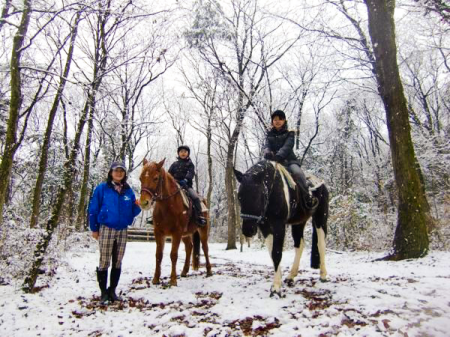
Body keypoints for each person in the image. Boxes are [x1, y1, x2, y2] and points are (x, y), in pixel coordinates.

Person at [88, 162, 141, 303]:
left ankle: (112, 291)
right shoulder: (102, 188)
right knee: (104, 261)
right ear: (111, 173)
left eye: (121, 171)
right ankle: (103, 293)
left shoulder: (128, 191)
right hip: (106, 227)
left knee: (118, 261)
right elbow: (93, 209)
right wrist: (94, 228)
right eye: (116, 171)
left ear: (124, 174)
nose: (119, 173)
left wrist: (139, 205)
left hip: (122, 230)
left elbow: (133, 211)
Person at [263, 110, 318, 209]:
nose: (278, 121)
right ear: (272, 121)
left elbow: (288, 146)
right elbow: (267, 145)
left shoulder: (290, 133)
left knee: (298, 174)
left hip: (289, 161)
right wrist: (267, 152)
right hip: (273, 162)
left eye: (280, 119)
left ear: (284, 121)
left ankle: (307, 198)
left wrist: (279, 155)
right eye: (275, 119)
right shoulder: (269, 134)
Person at [168, 145, 207, 227]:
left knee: (195, 198)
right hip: (174, 185)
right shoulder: (174, 164)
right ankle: (155, 216)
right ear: (178, 153)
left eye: (185, 152)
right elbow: (168, 174)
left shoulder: (190, 164)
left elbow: (191, 173)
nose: (183, 153)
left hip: (186, 186)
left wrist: (186, 179)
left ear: (188, 153)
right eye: (181, 151)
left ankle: (199, 216)